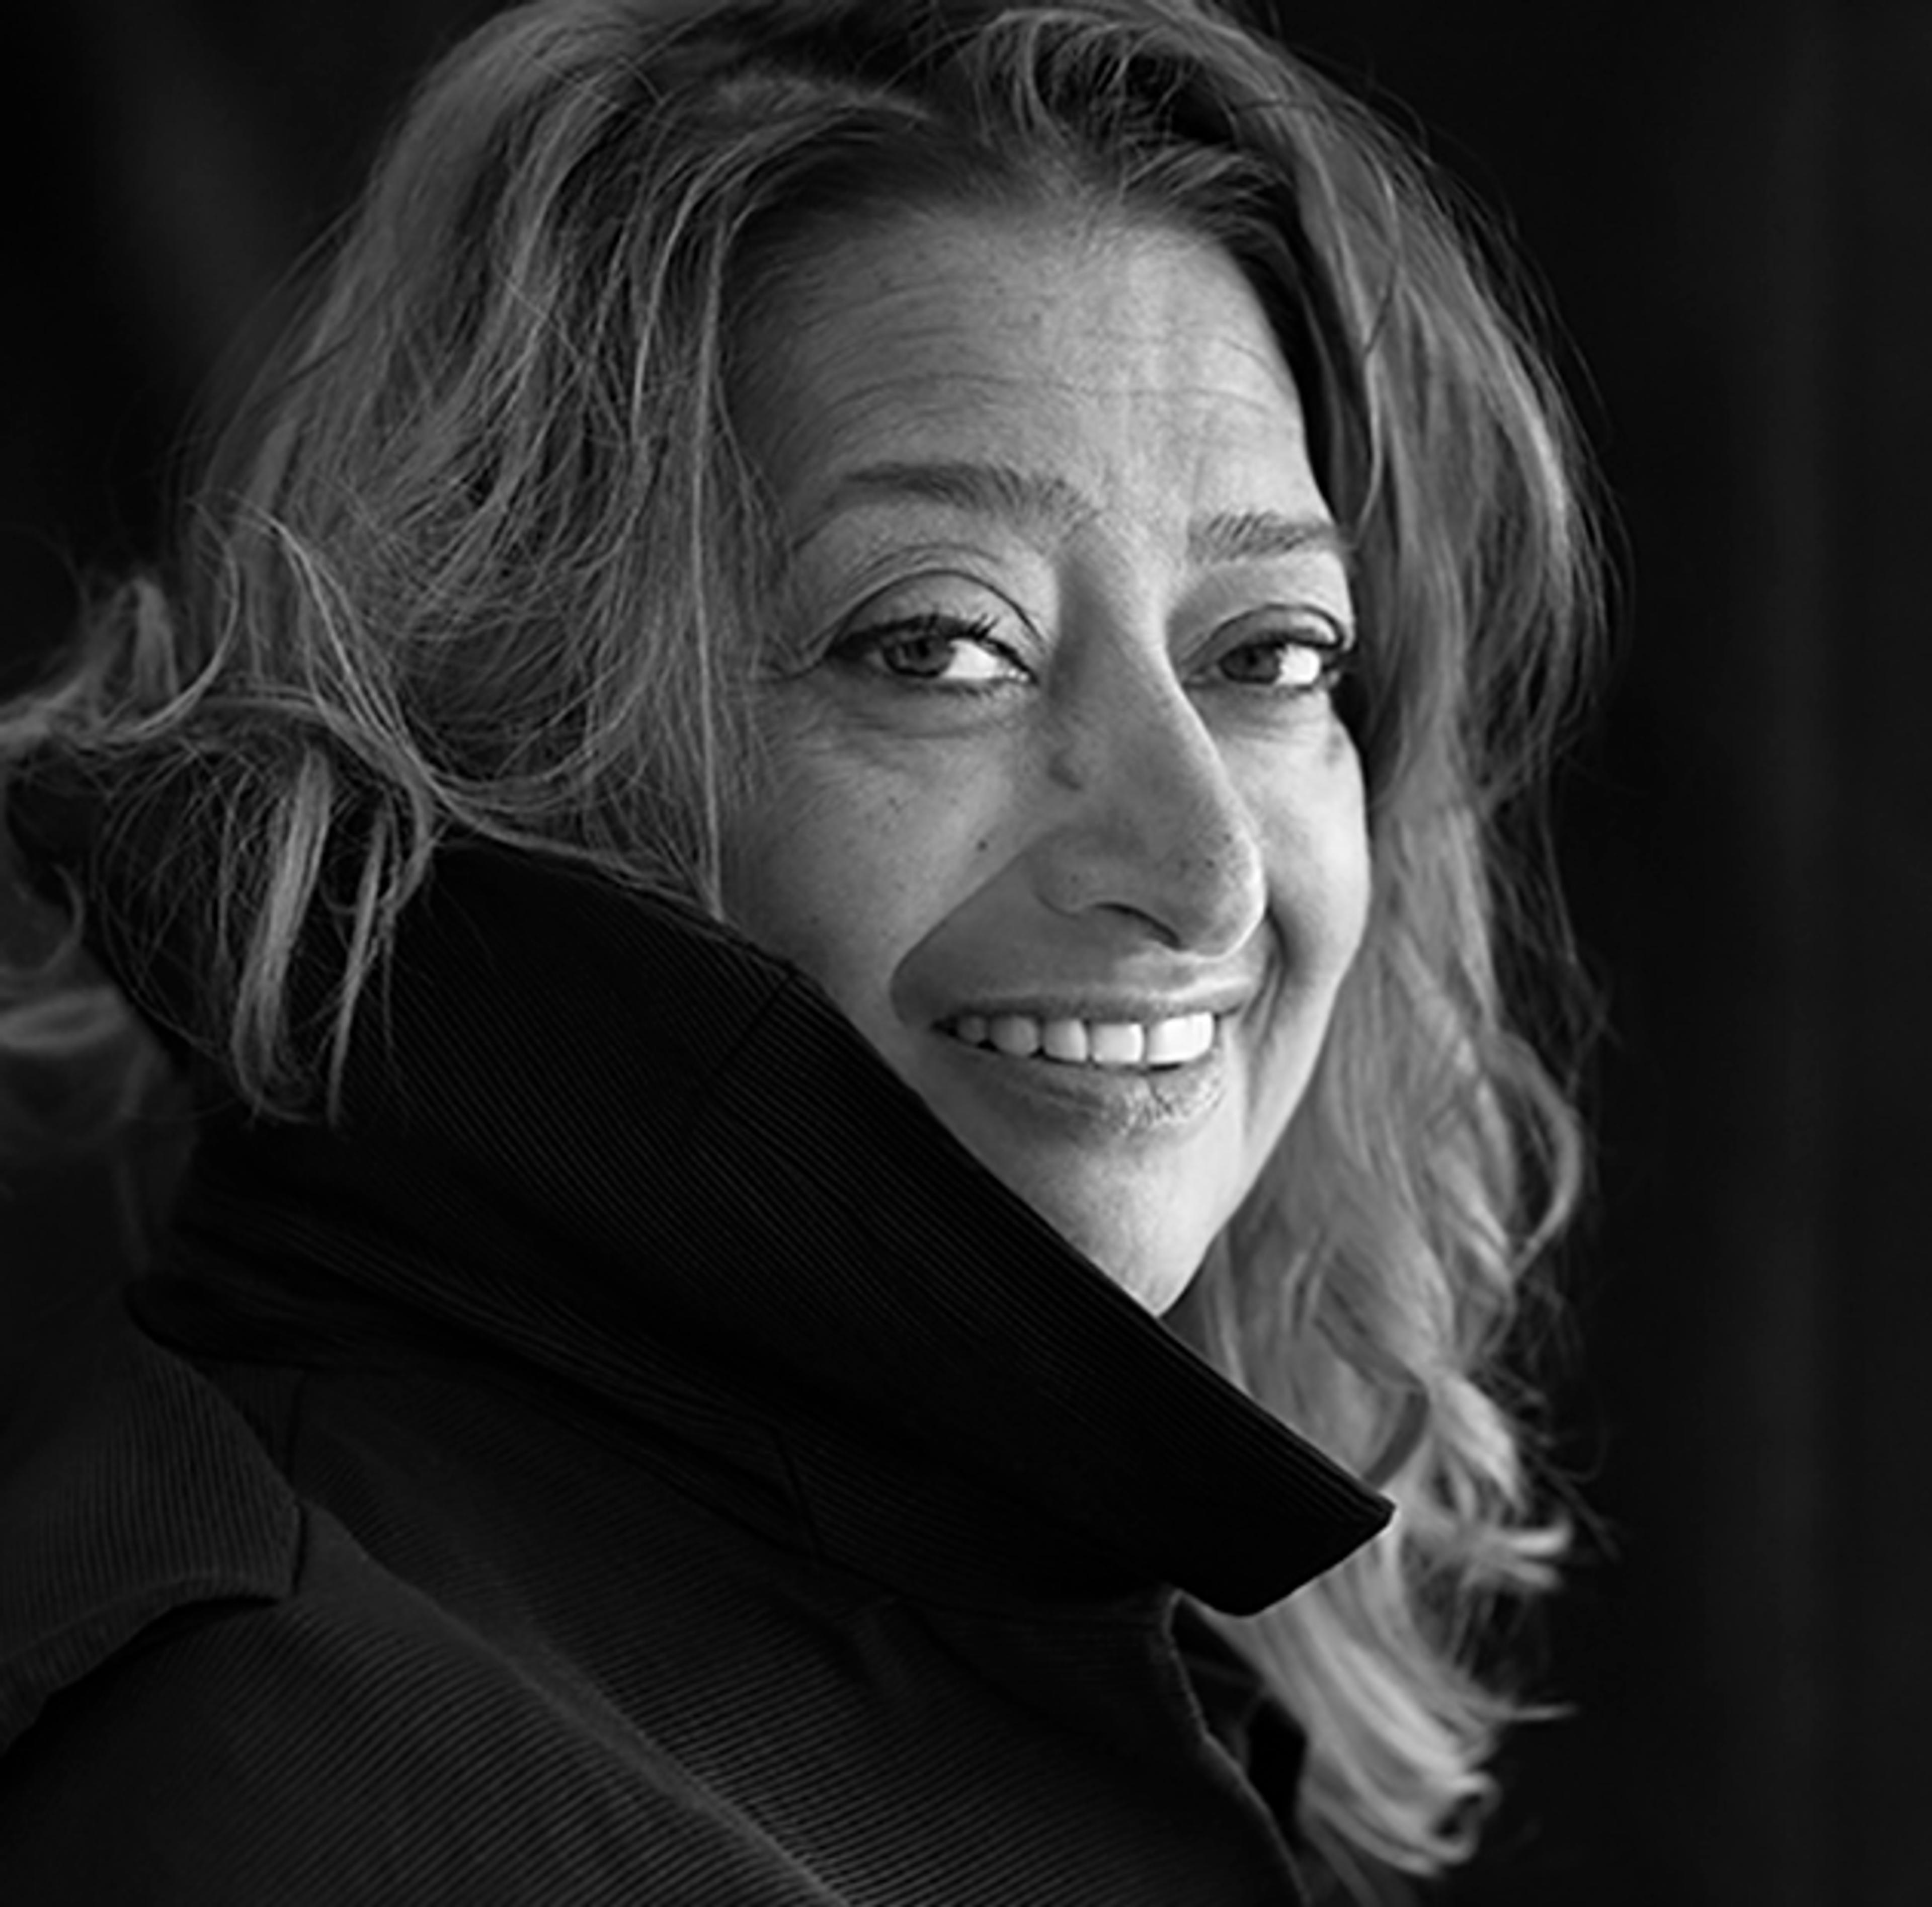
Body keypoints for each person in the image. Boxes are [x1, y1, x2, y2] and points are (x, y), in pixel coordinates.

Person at [0, 0, 1598, 1900]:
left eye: (1273, 653)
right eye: (940, 645)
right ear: (511, 736)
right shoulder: (314, 1778)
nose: (1205, 875)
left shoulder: (1020, 1613)